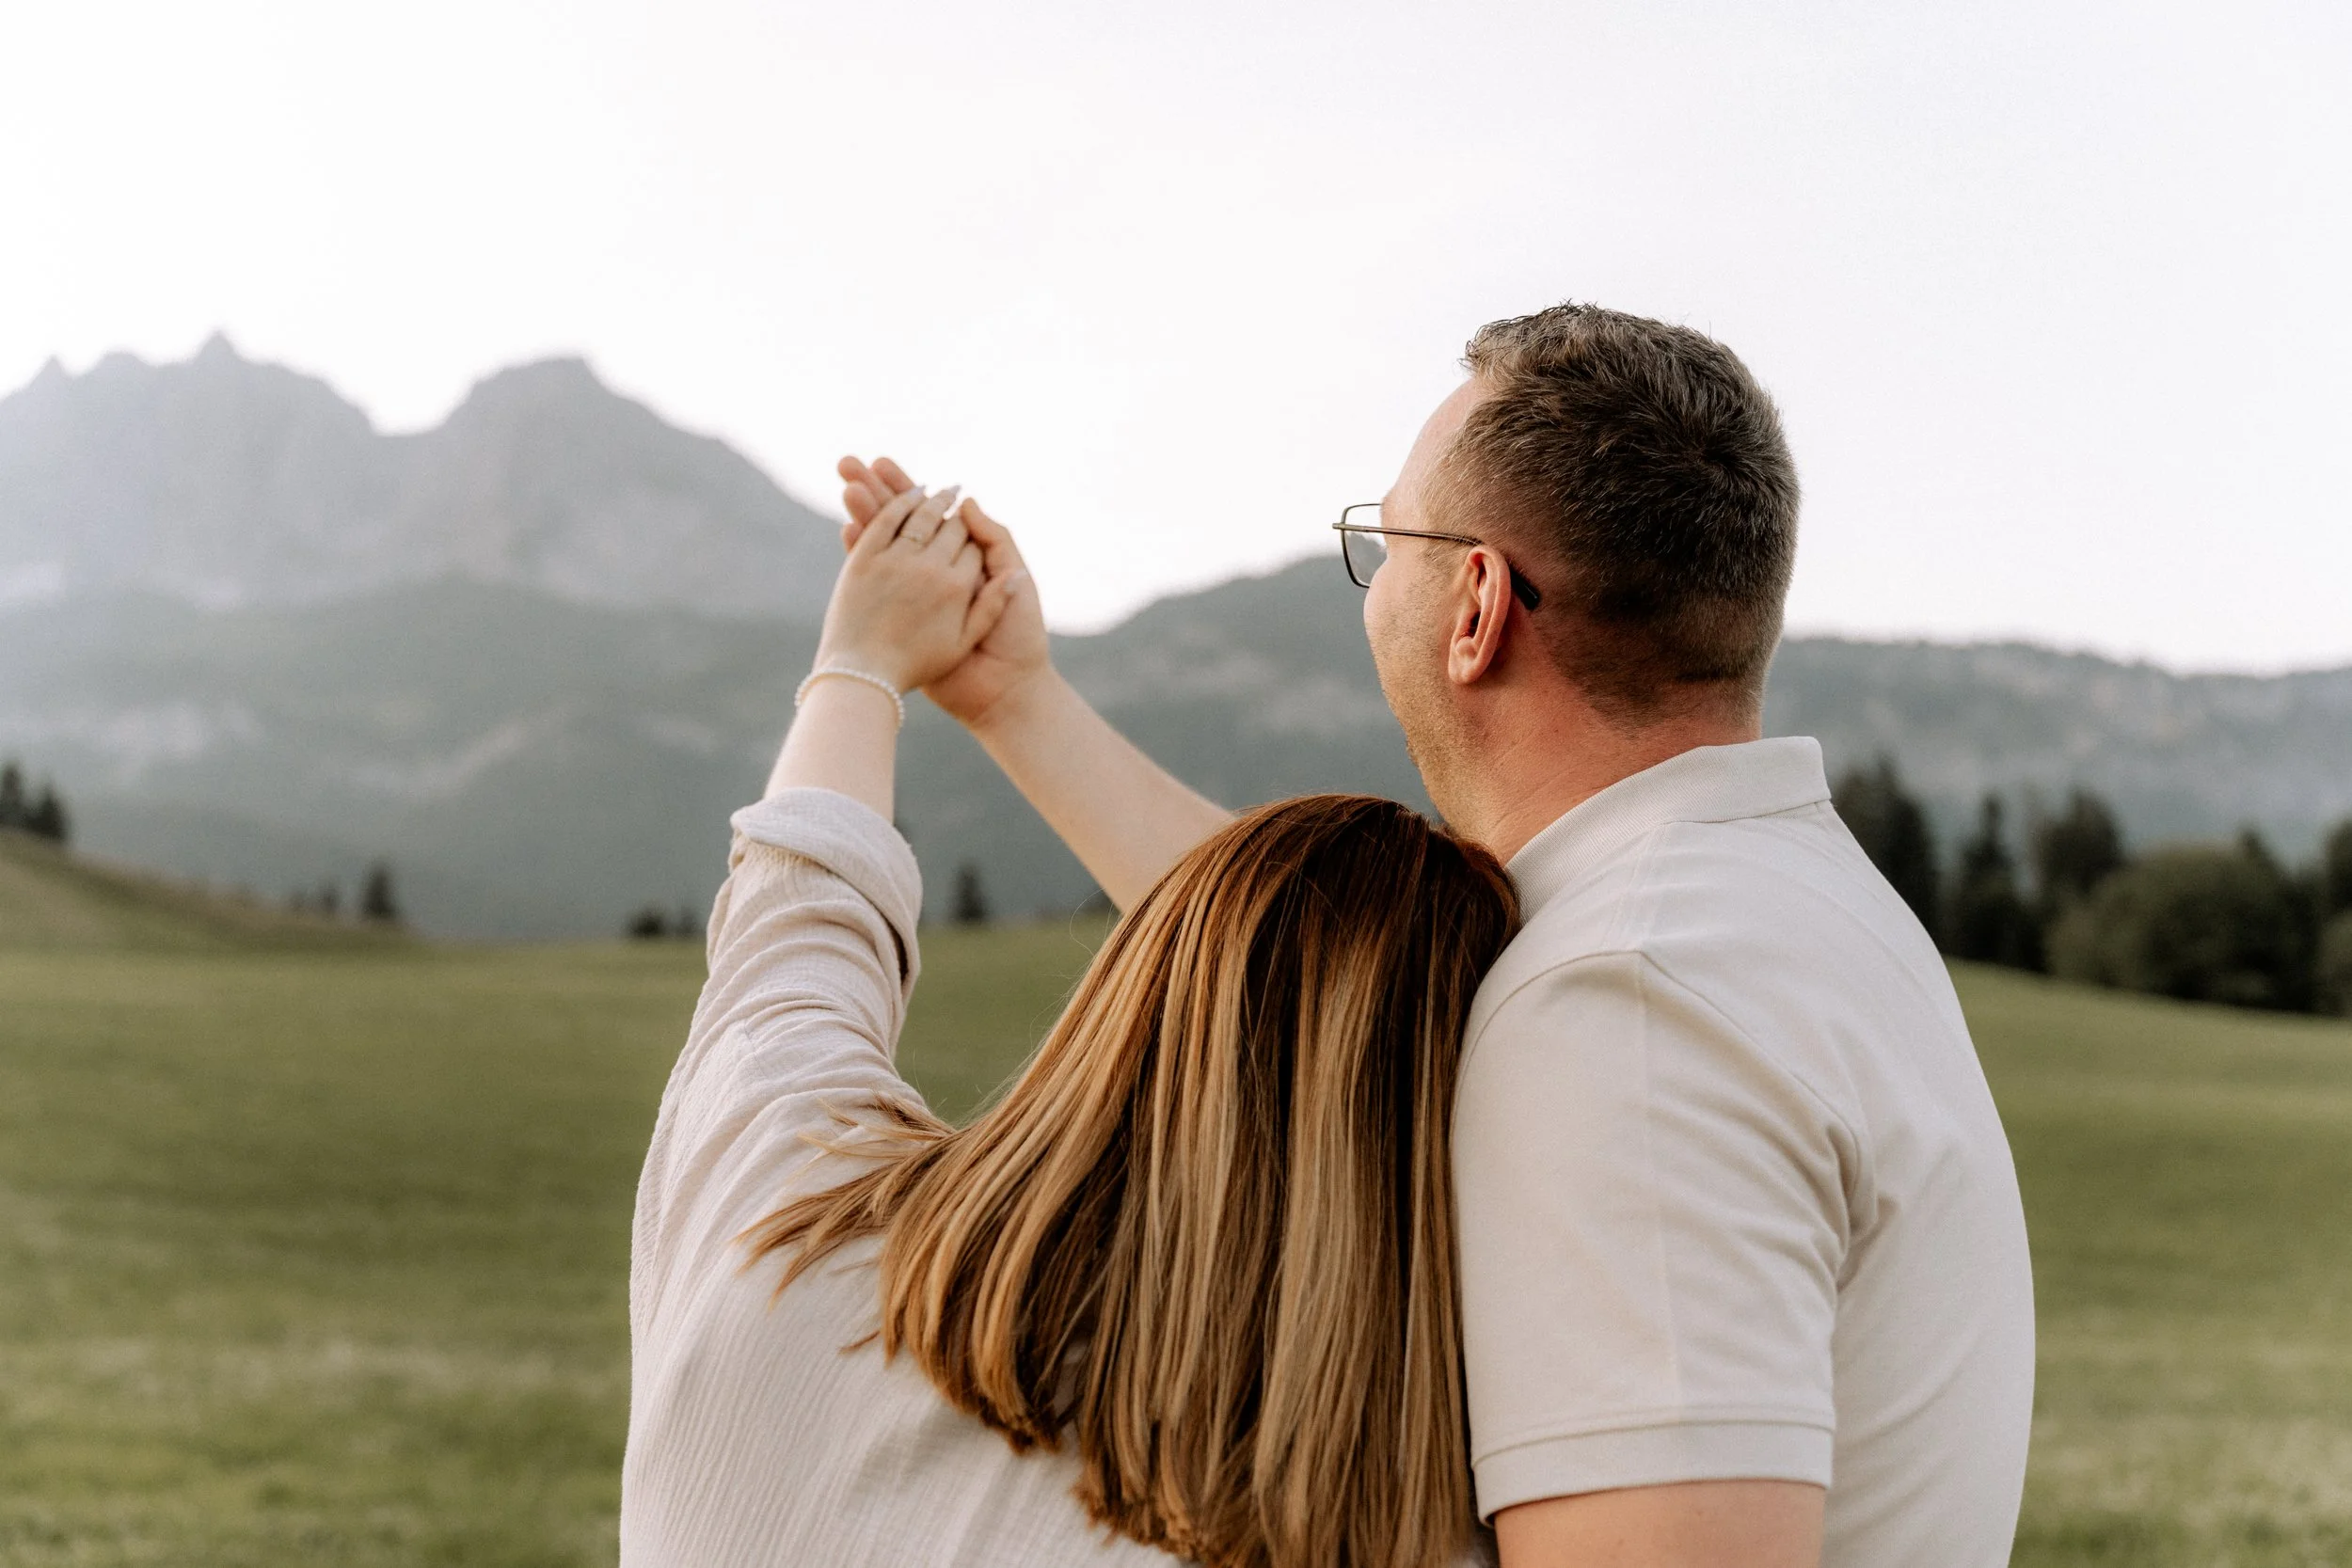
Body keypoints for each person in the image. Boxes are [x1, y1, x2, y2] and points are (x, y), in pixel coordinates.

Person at [837, 302, 2037, 1568]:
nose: (1373, 586)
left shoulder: (1627, 1009)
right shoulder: (1764, 906)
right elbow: (1292, 961)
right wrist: (1014, 698)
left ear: (1477, 605)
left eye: (1388, 541)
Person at [620, 481, 1519, 1566]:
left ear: (1131, 987)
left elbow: (797, 913)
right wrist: (1012, 699)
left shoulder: (777, 1228)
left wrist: (858, 663)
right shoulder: (1436, 1525)